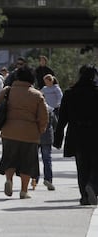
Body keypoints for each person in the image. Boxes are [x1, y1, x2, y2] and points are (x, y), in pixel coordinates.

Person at [0, 66, 48, 199]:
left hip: (9, 131)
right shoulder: (37, 95)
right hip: (30, 134)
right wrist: (40, 130)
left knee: (9, 158)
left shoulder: (8, 91)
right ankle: (24, 191)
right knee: (27, 162)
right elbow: (43, 117)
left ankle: (9, 180)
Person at [53, 65, 98, 205]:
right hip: (95, 134)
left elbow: (62, 119)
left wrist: (58, 138)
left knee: (82, 166)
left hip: (76, 135)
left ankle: (84, 196)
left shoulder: (69, 94)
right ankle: (92, 185)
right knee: (96, 165)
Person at [31, 105, 57, 191]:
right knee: (47, 159)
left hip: (35, 136)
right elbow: (55, 124)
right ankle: (48, 179)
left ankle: (34, 179)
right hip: (47, 137)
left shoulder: (33, 109)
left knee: (34, 159)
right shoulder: (50, 110)